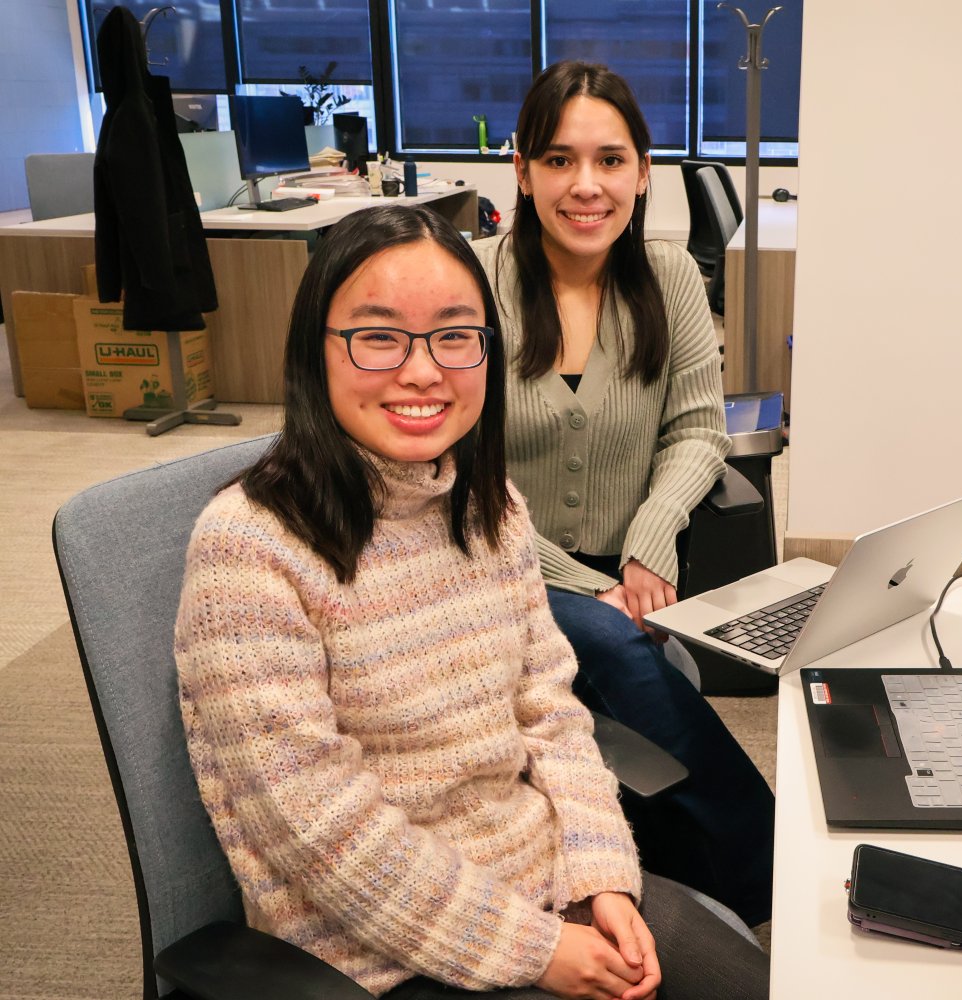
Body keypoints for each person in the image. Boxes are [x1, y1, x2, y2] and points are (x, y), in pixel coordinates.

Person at [173, 203, 769, 1000]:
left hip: (547, 884)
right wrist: (539, 949)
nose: (423, 371)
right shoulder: (249, 549)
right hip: (380, 949)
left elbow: (551, 712)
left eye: (454, 335)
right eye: (379, 336)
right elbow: (317, 830)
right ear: (315, 351)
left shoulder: (489, 508)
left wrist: (603, 878)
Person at [471, 60, 774, 927]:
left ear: (644, 172)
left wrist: (650, 542)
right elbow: (455, 471)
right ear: (522, 171)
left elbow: (698, 430)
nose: (586, 185)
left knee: (619, 661)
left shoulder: (669, 277)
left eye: (610, 160)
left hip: (629, 566)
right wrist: (585, 587)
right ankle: (766, 868)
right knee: (611, 644)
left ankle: (682, 883)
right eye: (559, 160)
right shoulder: (471, 281)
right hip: (495, 567)